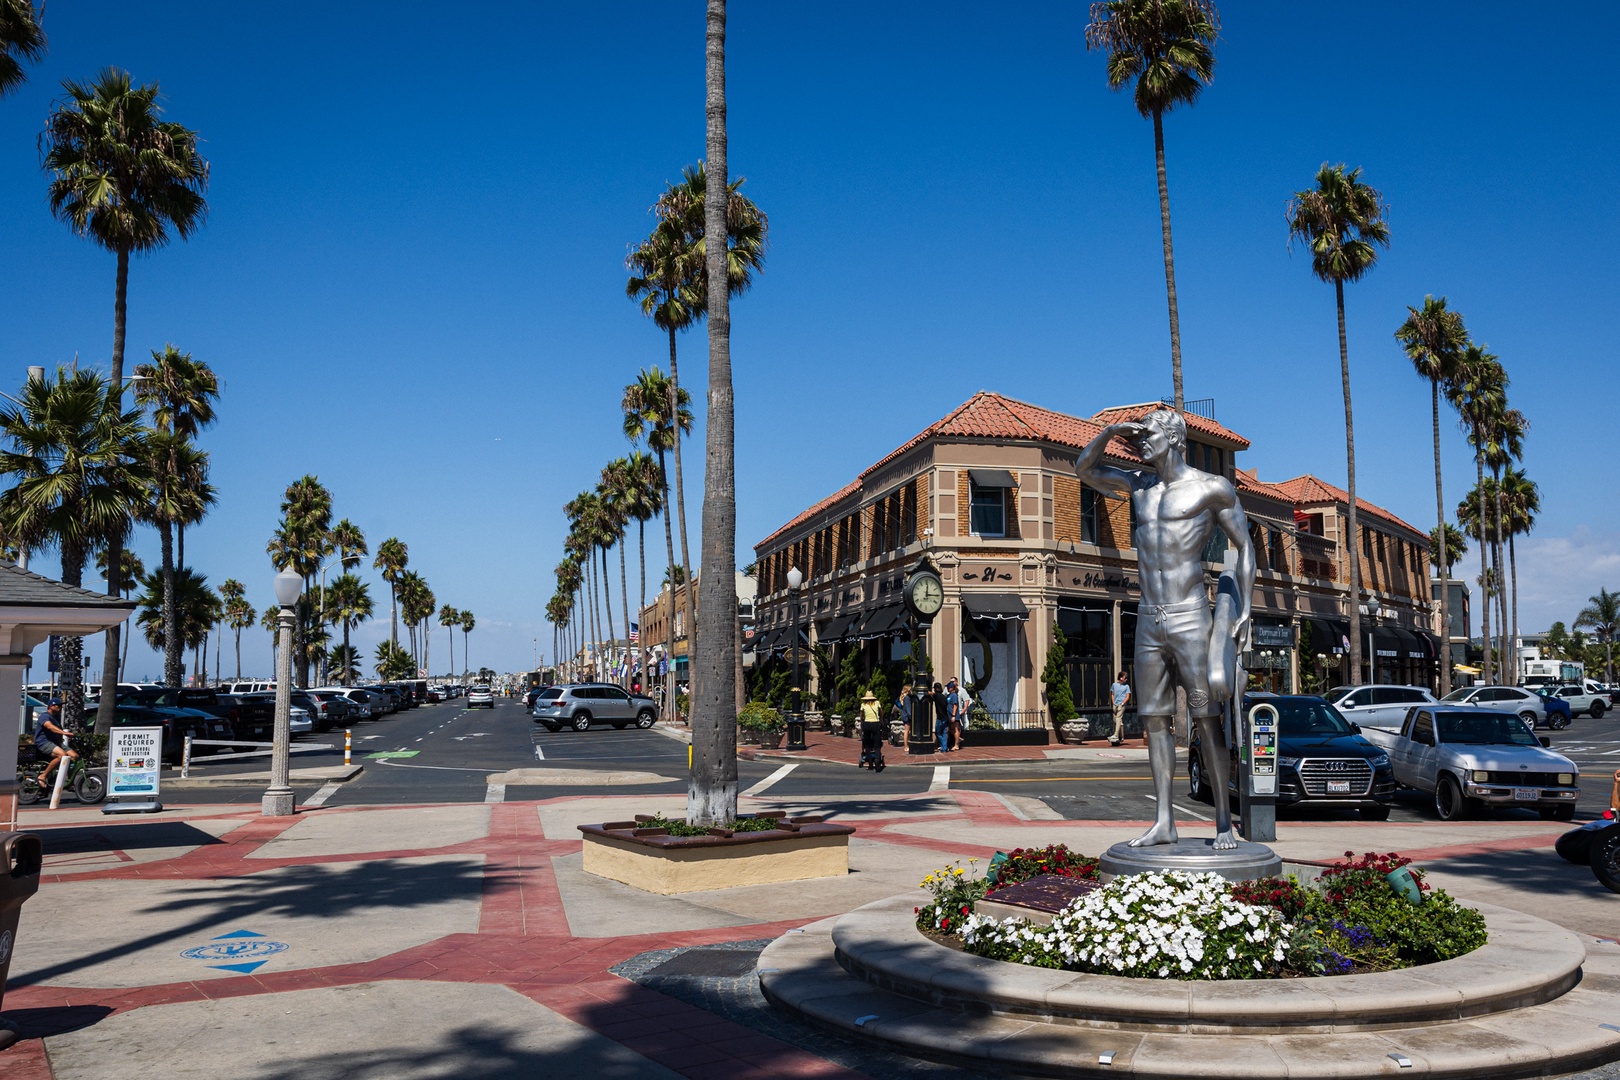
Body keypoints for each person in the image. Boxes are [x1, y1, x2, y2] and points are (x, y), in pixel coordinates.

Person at [1075, 407, 1255, 850]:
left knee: (1204, 718)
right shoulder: (1139, 487)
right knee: (1153, 721)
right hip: (1148, 619)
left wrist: (1245, 609)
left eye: (1148, 434)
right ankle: (1163, 821)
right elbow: (1085, 469)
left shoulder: (1212, 489)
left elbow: (1245, 548)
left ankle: (1222, 823)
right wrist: (1113, 430)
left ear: (1174, 438)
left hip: (1192, 615)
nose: (1141, 443)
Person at [34, 698, 77, 790]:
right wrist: (64, 733)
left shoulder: (56, 717)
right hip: (44, 742)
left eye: (61, 705)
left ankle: (69, 781)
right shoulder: (44, 716)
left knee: (74, 756)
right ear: (51, 706)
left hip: (56, 743)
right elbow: (49, 726)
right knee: (62, 755)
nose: (60, 707)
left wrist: (63, 737)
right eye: (58, 705)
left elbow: (56, 730)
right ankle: (43, 776)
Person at [1109, 671, 1132, 746]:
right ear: (1120, 677)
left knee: (1118, 718)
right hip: (1115, 704)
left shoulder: (1126, 686)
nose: (1124, 679)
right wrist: (1113, 702)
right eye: (1123, 677)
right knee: (1116, 720)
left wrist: (1122, 703)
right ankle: (1121, 736)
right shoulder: (1114, 685)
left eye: (1125, 678)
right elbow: (1112, 694)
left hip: (1121, 705)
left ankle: (1116, 734)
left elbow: (1128, 696)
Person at [930, 681, 950, 753]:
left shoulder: (936, 695)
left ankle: (944, 747)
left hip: (940, 718)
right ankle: (945, 747)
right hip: (945, 717)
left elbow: (932, 694)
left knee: (938, 732)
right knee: (944, 733)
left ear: (935, 688)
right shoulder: (944, 697)